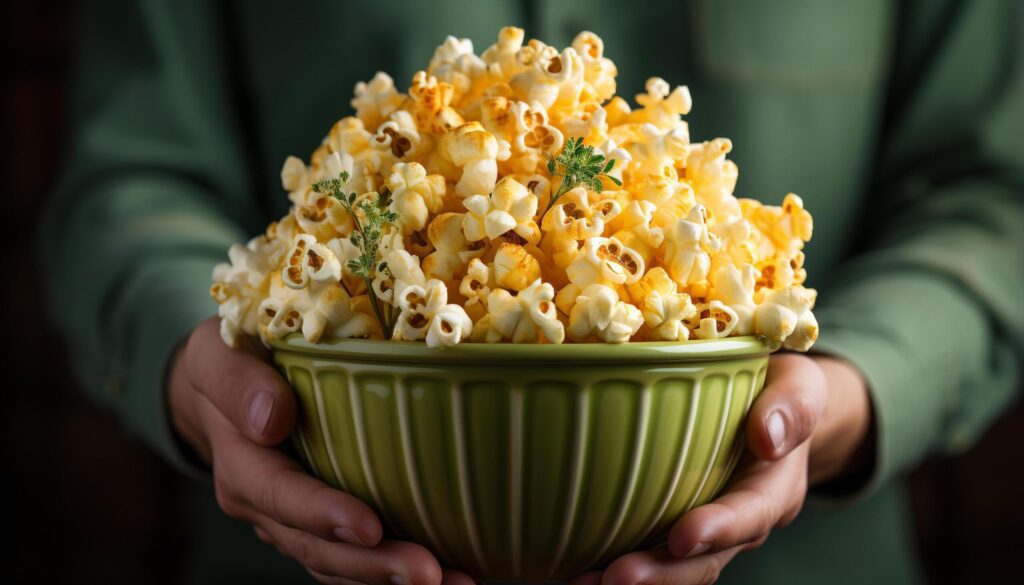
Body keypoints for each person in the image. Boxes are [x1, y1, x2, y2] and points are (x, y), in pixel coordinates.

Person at [39, 0, 1022, 583]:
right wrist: (191, 371)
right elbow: (129, 180)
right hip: (303, 537)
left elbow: (995, 197)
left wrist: (850, 394)